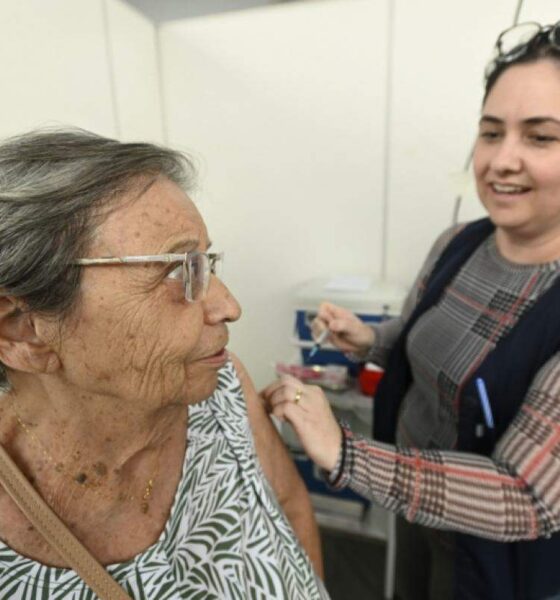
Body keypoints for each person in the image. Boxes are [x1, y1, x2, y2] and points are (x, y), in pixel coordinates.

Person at [261, 20, 560, 600]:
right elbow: (431, 338)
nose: (502, 160)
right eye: (491, 133)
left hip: (494, 560)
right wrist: (370, 340)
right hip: (415, 509)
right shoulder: (461, 241)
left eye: (540, 137)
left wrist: (346, 453)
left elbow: (527, 494)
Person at [0, 128, 328, 599]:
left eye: (206, 263)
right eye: (178, 270)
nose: (228, 306)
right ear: (22, 329)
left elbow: (289, 504)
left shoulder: (223, 391)